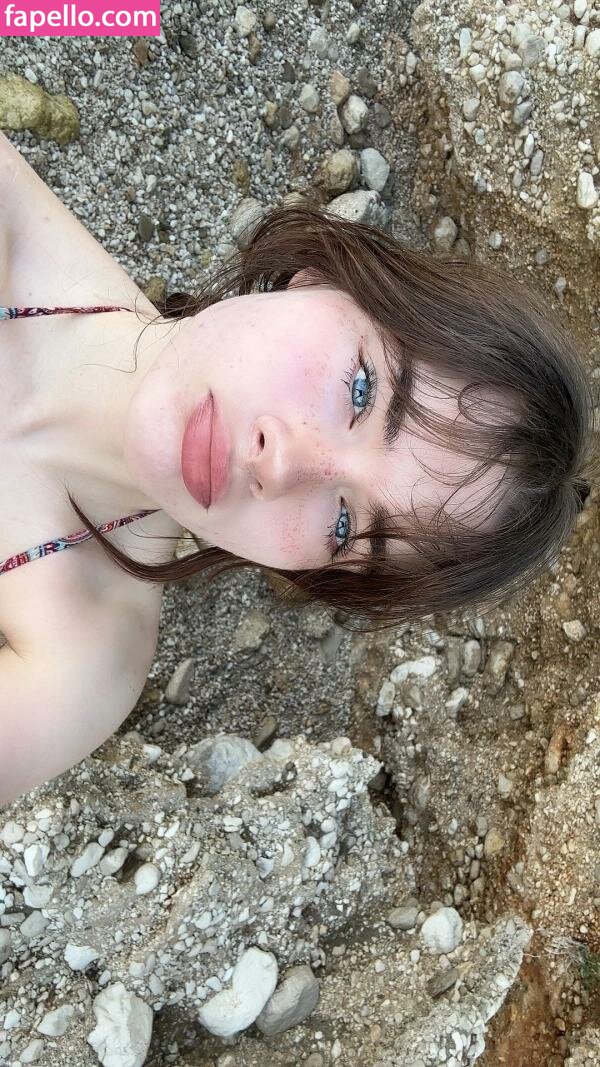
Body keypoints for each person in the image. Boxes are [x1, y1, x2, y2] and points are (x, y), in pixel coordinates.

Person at [0, 130, 594, 806]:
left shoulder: (78, 666)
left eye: (345, 526)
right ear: (324, 277)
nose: (280, 464)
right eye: (363, 390)